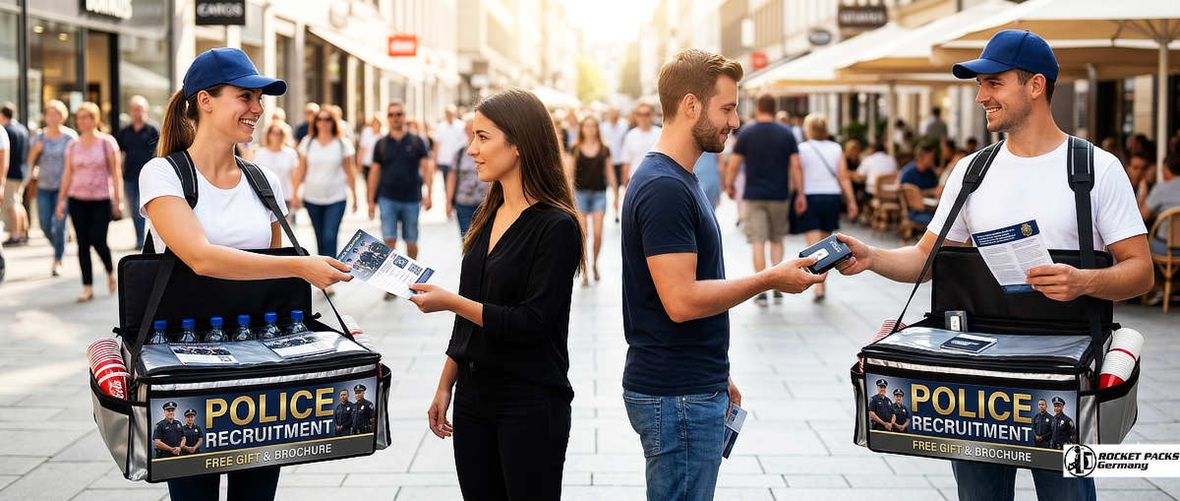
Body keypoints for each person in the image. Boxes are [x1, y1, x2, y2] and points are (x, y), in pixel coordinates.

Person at [836, 29, 1152, 501]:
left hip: (1060, 374)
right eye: (980, 85)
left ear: (1036, 85)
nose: (982, 95)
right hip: (977, 378)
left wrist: (1084, 280)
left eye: (994, 83)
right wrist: (873, 257)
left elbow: (1141, 272)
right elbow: (927, 258)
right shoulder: (971, 171)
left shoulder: (1094, 169)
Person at [140, 46, 352, 500]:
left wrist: (319, 330)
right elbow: (201, 257)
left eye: (260, 99)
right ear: (205, 100)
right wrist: (302, 265)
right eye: (246, 97)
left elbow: (271, 282)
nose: (258, 109)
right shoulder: (163, 174)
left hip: (259, 371)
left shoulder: (263, 181)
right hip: (185, 367)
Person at [621, 49, 824, 501]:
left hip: (689, 383)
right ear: (691, 105)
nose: (735, 121)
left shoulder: (677, 178)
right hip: (677, 394)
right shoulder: (665, 187)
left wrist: (714, 372)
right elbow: (682, 300)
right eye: (727, 108)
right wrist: (768, 279)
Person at [410, 88, 583, 500]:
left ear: (519, 143)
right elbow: (472, 305)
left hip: (530, 401)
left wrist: (450, 300)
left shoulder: (557, 226)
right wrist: (445, 384)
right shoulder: (489, 211)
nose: (471, 149)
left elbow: (530, 322)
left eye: (483, 137)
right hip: (474, 398)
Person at [723, 94, 798, 306]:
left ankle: (762, 290)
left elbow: (735, 163)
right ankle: (778, 285)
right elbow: (796, 165)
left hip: (754, 195)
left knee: (757, 241)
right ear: (775, 108)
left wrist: (729, 185)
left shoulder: (748, 132)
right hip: (779, 194)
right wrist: (799, 192)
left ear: (758, 108)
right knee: (777, 239)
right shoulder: (786, 133)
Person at [56, 102, 122, 302]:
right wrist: (61, 200)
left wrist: (118, 200)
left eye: (86, 117)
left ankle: (110, 272)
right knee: (82, 243)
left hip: (101, 198)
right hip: (77, 198)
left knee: (98, 240)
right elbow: (67, 173)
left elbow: (116, 172)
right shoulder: (73, 145)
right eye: (79, 117)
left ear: (95, 119)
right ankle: (87, 287)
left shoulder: (106, 142)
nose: (81, 121)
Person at [368, 100, 433, 300]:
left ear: (404, 116)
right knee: (389, 242)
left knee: (411, 242)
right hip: (387, 198)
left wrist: (430, 193)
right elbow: (375, 172)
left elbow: (427, 167)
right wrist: (370, 200)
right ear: (388, 118)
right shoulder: (381, 144)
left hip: (411, 199)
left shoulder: (416, 141)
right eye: (392, 115)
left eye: (399, 114)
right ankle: (391, 284)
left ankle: (411, 280)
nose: (396, 118)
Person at [793, 113, 858, 301]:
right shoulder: (836, 148)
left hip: (811, 196)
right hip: (831, 197)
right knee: (826, 245)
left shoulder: (802, 148)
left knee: (813, 245)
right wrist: (852, 201)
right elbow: (843, 177)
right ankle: (821, 284)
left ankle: (817, 286)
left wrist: (799, 194)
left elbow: (798, 174)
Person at [294, 104, 358, 260]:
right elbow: (301, 169)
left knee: (330, 236)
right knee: (320, 238)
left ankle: (330, 274)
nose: (323, 123)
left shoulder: (342, 144)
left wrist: (355, 196)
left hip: (336, 198)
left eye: (328, 119)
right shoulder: (308, 142)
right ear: (315, 122)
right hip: (312, 198)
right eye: (320, 119)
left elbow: (350, 171)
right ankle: (325, 274)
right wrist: (295, 193)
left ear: (334, 122)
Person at [27, 100, 77, 276]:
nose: (52, 117)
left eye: (56, 114)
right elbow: (30, 160)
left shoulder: (70, 137)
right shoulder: (39, 137)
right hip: (43, 186)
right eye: (49, 114)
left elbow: (76, 162)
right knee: (45, 225)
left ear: (62, 116)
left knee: (59, 224)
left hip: (63, 188)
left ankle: (58, 260)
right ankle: (60, 242)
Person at [567, 115, 616, 286]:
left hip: (599, 194)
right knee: (584, 234)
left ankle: (595, 263)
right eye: (587, 126)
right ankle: (586, 270)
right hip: (580, 195)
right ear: (582, 128)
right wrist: (569, 196)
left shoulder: (604, 148)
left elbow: (610, 172)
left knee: (597, 233)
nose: (590, 129)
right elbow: (570, 174)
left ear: (597, 128)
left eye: (593, 126)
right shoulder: (575, 148)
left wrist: (616, 196)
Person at [115, 95, 160, 249]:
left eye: (139, 109)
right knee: (134, 211)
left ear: (145, 110)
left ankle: (145, 241)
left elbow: (161, 151)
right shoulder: (125, 131)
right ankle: (140, 239)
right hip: (129, 176)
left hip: (148, 177)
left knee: (140, 209)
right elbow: (119, 154)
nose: (136, 112)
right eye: (134, 109)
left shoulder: (153, 129)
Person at [446, 113, 487, 236]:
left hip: (485, 203)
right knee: (467, 239)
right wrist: (448, 202)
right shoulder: (459, 152)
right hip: (464, 203)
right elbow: (452, 177)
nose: (472, 132)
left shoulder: (488, 150)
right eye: (469, 129)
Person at [252, 122, 300, 225]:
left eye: (279, 133)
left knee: (283, 228)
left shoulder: (290, 154)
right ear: (268, 135)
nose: (276, 136)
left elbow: (294, 176)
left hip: (285, 196)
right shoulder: (260, 153)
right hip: (264, 196)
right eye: (273, 133)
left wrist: (295, 195)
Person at [1140, 154, 1180, 255]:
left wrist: (1142, 193)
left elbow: (1142, 216)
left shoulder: (1161, 189)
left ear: (1166, 169)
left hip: (1167, 247)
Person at [1, 102, 29, 245]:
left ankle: (16, 235)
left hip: (11, 173)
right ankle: (24, 231)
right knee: (18, 202)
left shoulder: (6, 131)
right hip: (22, 172)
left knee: (12, 204)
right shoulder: (22, 129)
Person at [619, 102, 661, 187]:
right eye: (639, 114)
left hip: (657, 181)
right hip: (636, 182)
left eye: (646, 114)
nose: (643, 118)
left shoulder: (661, 134)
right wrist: (625, 185)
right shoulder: (630, 135)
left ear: (652, 115)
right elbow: (626, 162)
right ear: (635, 116)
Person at [898, 143, 939, 225]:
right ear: (920, 158)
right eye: (931, 158)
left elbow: (935, 190)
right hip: (914, 212)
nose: (933, 161)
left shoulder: (930, 172)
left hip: (931, 209)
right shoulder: (908, 173)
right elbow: (902, 192)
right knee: (937, 222)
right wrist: (930, 192)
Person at [599, 107, 629, 220]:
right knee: (612, 185)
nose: (614, 116)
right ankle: (615, 206)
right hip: (607, 161)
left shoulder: (624, 126)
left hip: (620, 160)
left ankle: (618, 206)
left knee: (621, 185)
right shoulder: (603, 127)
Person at [433, 105, 466, 181]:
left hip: (458, 160)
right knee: (446, 182)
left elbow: (465, 143)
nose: (450, 116)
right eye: (448, 114)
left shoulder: (461, 126)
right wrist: (435, 161)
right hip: (444, 160)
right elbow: (436, 144)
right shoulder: (440, 127)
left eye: (451, 113)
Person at [355, 112, 385, 182]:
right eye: (374, 123)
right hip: (368, 163)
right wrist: (359, 163)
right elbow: (362, 148)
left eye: (378, 123)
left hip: (380, 165)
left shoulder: (384, 134)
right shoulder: (367, 132)